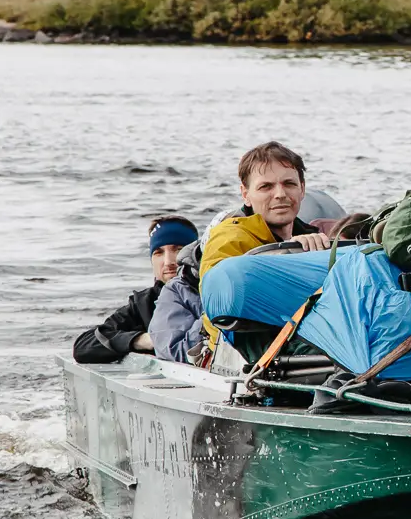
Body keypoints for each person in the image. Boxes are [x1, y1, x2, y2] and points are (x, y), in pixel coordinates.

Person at [72, 216, 199, 364]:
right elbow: (84, 347)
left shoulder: (213, 293)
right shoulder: (144, 304)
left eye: (178, 249)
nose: (168, 262)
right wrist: (144, 340)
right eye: (158, 252)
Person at [198, 141, 333, 280]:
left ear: (302, 189)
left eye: (289, 184)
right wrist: (290, 253)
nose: (280, 194)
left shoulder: (313, 236)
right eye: (266, 186)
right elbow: (217, 290)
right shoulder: (230, 238)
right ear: (245, 195)